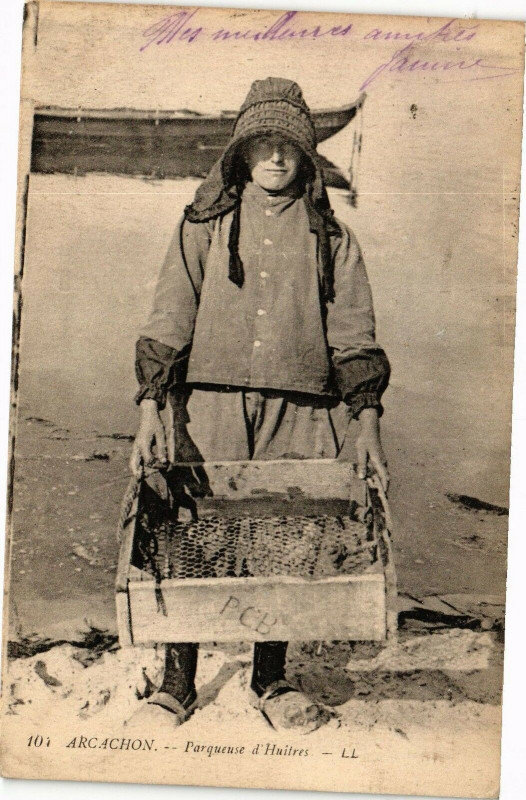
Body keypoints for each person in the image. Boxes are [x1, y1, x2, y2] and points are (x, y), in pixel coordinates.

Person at [130, 77, 390, 733]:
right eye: (262, 144)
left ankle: (270, 678)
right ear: (242, 153)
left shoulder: (334, 240)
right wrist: (151, 411)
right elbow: (169, 319)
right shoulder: (202, 227)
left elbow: (354, 335)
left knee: (284, 535)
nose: (275, 157)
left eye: (289, 147)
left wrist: (366, 426)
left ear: (305, 157)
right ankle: (176, 682)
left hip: (301, 408)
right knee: (188, 526)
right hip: (208, 404)